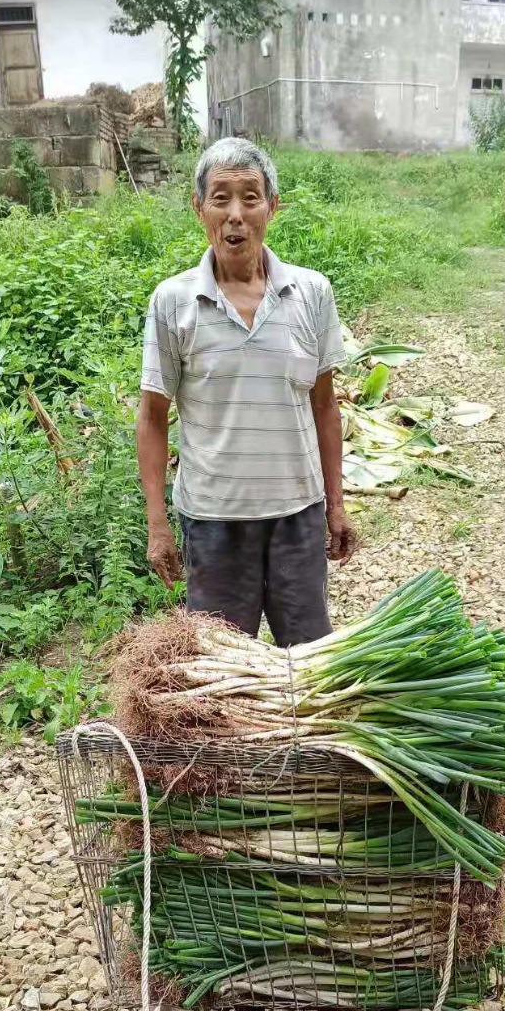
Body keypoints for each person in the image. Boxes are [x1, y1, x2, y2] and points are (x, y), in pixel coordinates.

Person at [137, 137, 357, 648]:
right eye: (220, 198)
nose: (236, 214)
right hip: (213, 521)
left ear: (272, 207)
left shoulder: (312, 293)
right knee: (220, 671)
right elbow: (152, 416)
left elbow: (324, 405)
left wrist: (336, 505)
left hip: (296, 516)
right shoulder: (174, 302)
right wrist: (157, 524)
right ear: (199, 209)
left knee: (305, 662)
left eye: (250, 197)